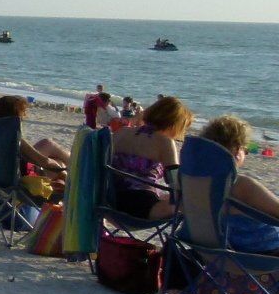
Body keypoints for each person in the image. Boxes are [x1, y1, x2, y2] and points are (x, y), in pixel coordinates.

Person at [194, 116, 279, 251]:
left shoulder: (194, 182)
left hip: (216, 252)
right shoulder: (241, 184)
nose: (245, 153)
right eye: (245, 150)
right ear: (236, 149)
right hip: (260, 254)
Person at [106, 95, 189, 219]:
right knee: (187, 204)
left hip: (108, 201)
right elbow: (175, 181)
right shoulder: (164, 141)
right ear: (174, 123)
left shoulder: (121, 132)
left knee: (164, 196)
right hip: (141, 206)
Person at [0, 95, 69, 180]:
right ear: (15, 115)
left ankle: (73, 163)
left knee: (53, 153)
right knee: (50, 148)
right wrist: (61, 170)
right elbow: (44, 162)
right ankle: (77, 166)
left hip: (9, 172)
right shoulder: (13, 136)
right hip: (24, 177)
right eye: (23, 112)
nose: (25, 115)